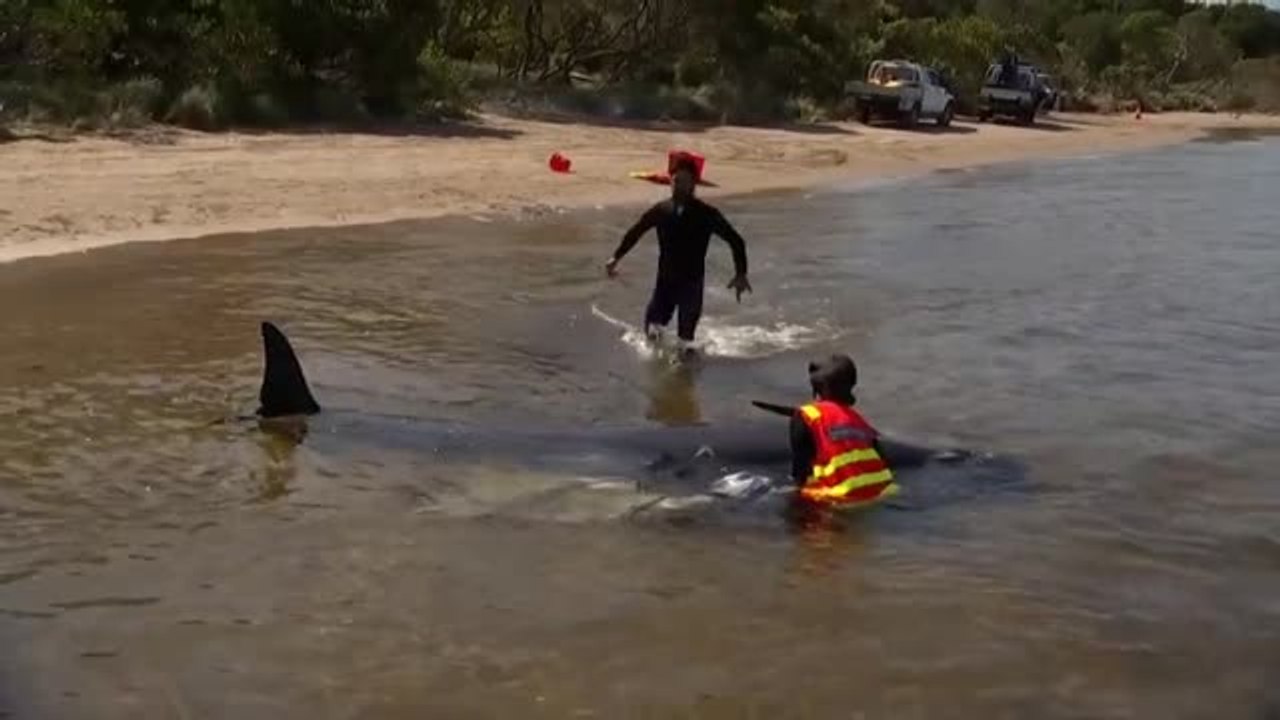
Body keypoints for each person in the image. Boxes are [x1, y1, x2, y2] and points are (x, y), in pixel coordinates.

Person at [605, 157, 752, 353]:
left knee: (685, 343)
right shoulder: (661, 210)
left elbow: (736, 241)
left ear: (694, 183)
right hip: (665, 283)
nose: (679, 185)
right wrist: (616, 257)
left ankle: (685, 367)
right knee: (651, 331)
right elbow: (636, 231)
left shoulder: (706, 214)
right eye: (676, 180)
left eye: (685, 181)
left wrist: (741, 274)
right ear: (670, 181)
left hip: (692, 284)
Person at [789, 354, 899, 507]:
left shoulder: (807, 415)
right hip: (882, 492)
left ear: (817, 387)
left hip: (839, 498)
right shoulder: (859, 421)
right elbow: (885, 461)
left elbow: (800, 469)